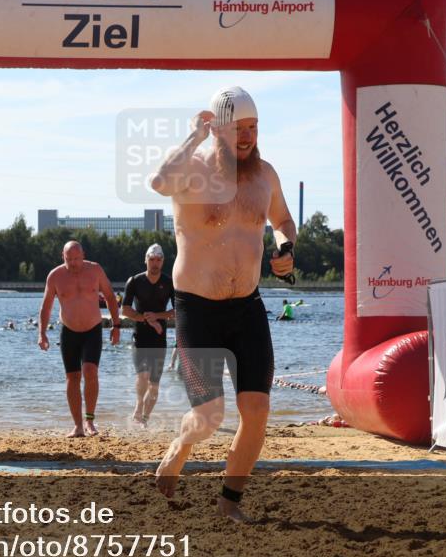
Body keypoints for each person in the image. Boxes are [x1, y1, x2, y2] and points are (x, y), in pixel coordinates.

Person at [149, 85, 297, 522]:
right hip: (198, 308)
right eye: (239, 129)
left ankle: (229, 502)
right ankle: (180, 447)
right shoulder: (191, 171)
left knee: (257, 411)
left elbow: (284, 220)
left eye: (253, 128)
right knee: (209, 416)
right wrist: (194, 136)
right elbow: (158, 183)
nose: (248, 137)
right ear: (218, 130)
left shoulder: (264, 174)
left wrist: (286, 248)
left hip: (248, 306)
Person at [39, 241, 121, 437]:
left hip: (92, 329)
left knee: (90, 371)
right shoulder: (55, 276)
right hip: (69, 331)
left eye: (76, 258)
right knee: (72, 377)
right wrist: (42, 333)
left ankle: (90, 421)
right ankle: (77, 426)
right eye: (69, 259)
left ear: (83, 255)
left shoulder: (95, 270)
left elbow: (110, 297)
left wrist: (115, 326)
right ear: (63, 256)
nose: (73, 263)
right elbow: (46, 306)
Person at [122, 243, 175, 427]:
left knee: (154, 384)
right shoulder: (135, 281)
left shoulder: (169, 282)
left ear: (163, 262)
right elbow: (125, 309)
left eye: (158, 260)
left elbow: (178, 310)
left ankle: (144, 419)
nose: (155, 263)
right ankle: (138, 407)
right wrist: (144, 319)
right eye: (151, 259)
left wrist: (158, 316)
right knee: (142, 376)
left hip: (159, 339)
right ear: (146, 260)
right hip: (140, 337)